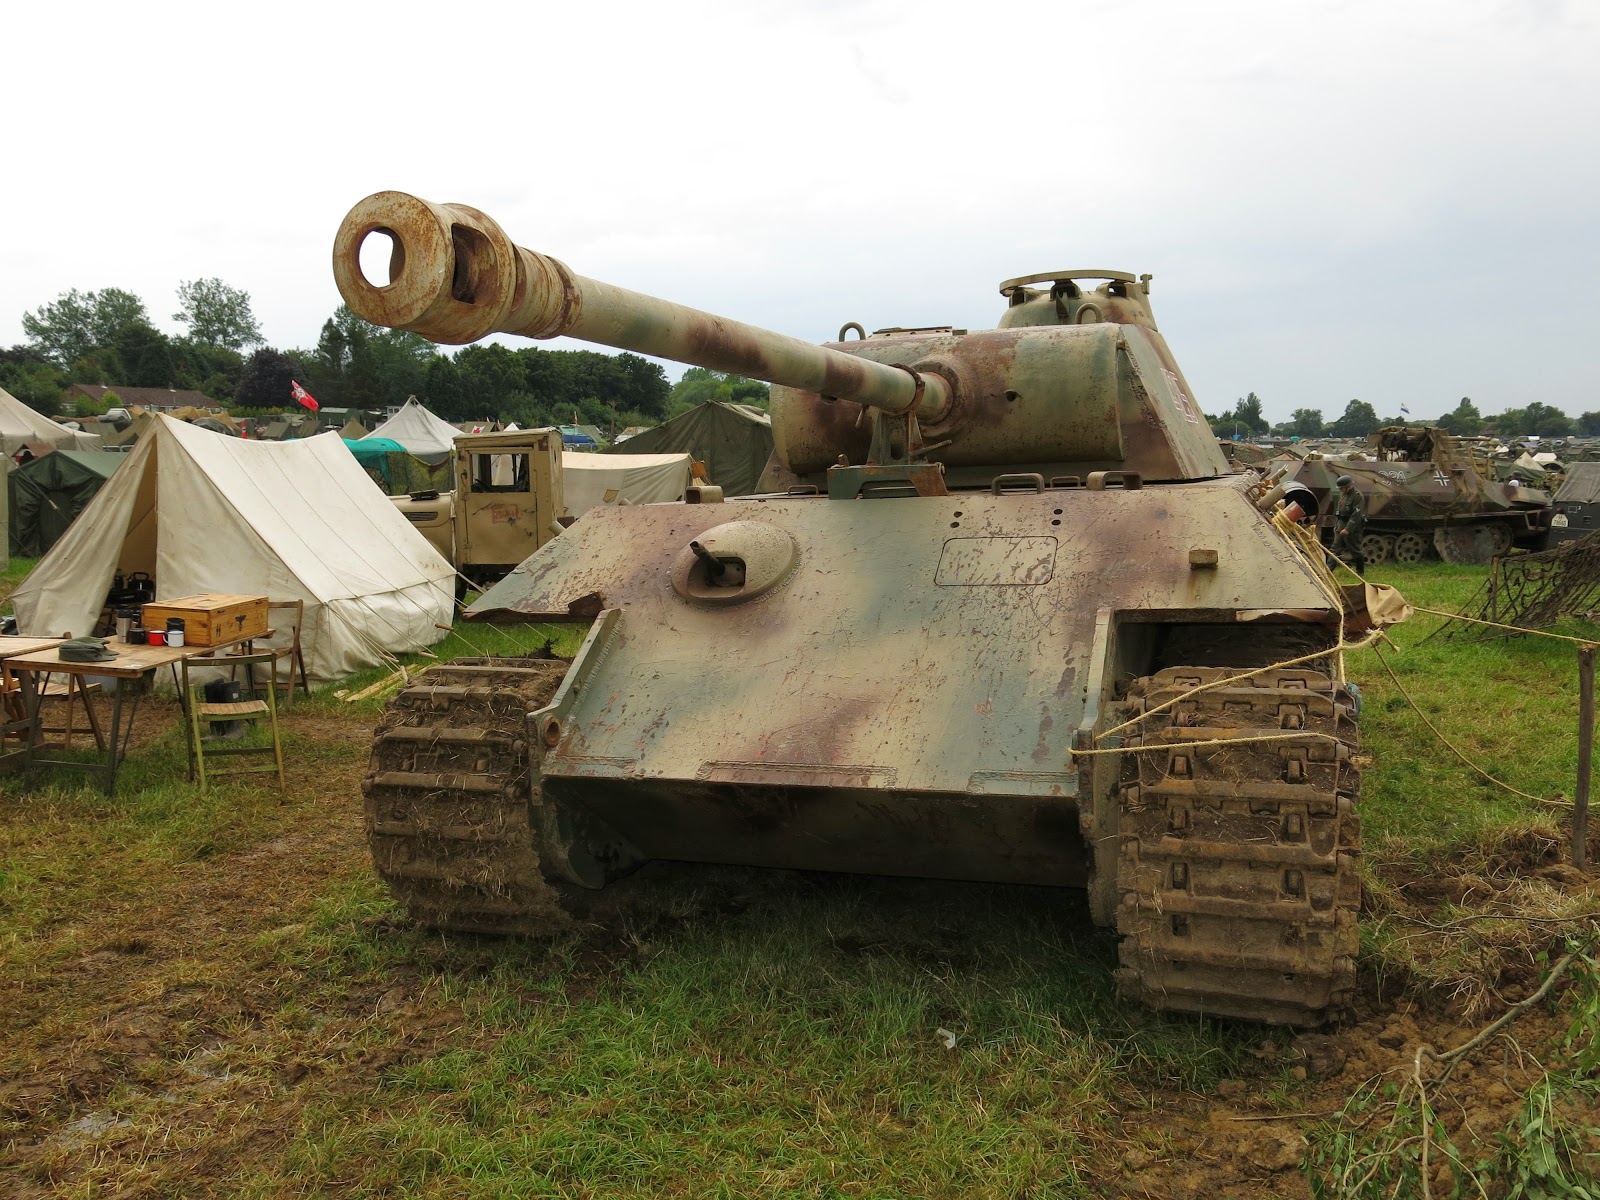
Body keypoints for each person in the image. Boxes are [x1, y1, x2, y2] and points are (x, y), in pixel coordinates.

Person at [1330, 475, 1367, 575]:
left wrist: (1348, 529)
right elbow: (1339, 511)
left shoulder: (1357, 496)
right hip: (1341, 524)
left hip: (1353, 527)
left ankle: (1360, 571)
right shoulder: (1343, 494)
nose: (1340, 490)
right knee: (1335, 549)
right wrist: (1337, 525)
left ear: (1348, 486)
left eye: (1342, 488)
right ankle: (1328, 570)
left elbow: (1356, 515)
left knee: (1355, 550)